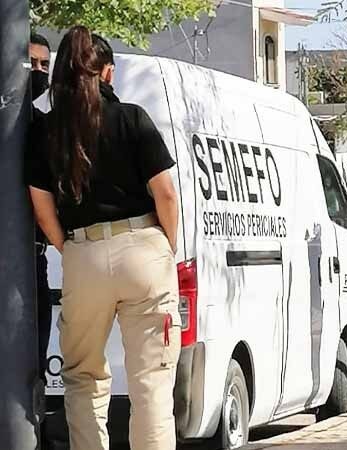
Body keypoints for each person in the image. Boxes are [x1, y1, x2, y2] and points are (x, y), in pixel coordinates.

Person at [25, 27, 181, 450]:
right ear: (107, 74)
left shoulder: (47, 133)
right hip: (143, 248)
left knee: (83, 376)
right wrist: (167, 244)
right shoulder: (132, 118)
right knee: (151, 382)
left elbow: (40, 205)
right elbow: (165, 193)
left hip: (83, 252)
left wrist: (68, 247)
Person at [29, 32, 52, 385]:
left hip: (34, 262)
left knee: (34, 368)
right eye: (30, 63)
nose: (37, 71)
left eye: (43, 65)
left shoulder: (41, 126)